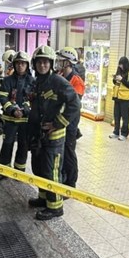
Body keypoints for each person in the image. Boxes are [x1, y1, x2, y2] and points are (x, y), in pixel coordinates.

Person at [27, 45, 80, 220]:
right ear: (34, 64)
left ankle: (55, 206)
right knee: (39, 169)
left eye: (45, 62)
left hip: (53, 137)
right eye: (39, 62)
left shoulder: (58, 82)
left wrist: (58, 123)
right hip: (38, 134)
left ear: (51, 64)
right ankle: (44, 198)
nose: (42, 65)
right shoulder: (37, 82)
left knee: (51, 171)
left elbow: (75, 104)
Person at [0, 51, 34, 182]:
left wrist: (25, 110)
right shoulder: (7, 80)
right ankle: (4, 171)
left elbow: (33, 99)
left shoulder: (32, 81)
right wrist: (12, 110)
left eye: (23, 63)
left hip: (26, 121)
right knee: (7, 144)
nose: (20, 66)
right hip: (10, 120)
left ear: (27, 65)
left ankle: (19, 171)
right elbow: (2, 97)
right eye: (18, 63)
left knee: (23, 145)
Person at [56, 47, 84, 188]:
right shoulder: (60, 75)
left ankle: (71, 182)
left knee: (68, 149)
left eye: (61, 61)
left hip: (70, 121)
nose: (58, 63)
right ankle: (63, 176)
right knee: (61, 149)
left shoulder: (76, 80)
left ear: (68, 62)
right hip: (60, 119)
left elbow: (74, 104)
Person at [110, 56, 129, 140]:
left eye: (121, 65)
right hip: (117, 96)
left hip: (126, 98)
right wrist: (114, 79)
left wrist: (122, 79)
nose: (120, 66)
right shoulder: (119, 71)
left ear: (125, 64)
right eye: (119, 64)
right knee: (116, 116)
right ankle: (116, 132)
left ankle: (124, 134)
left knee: (125, 117)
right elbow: (115, 83)